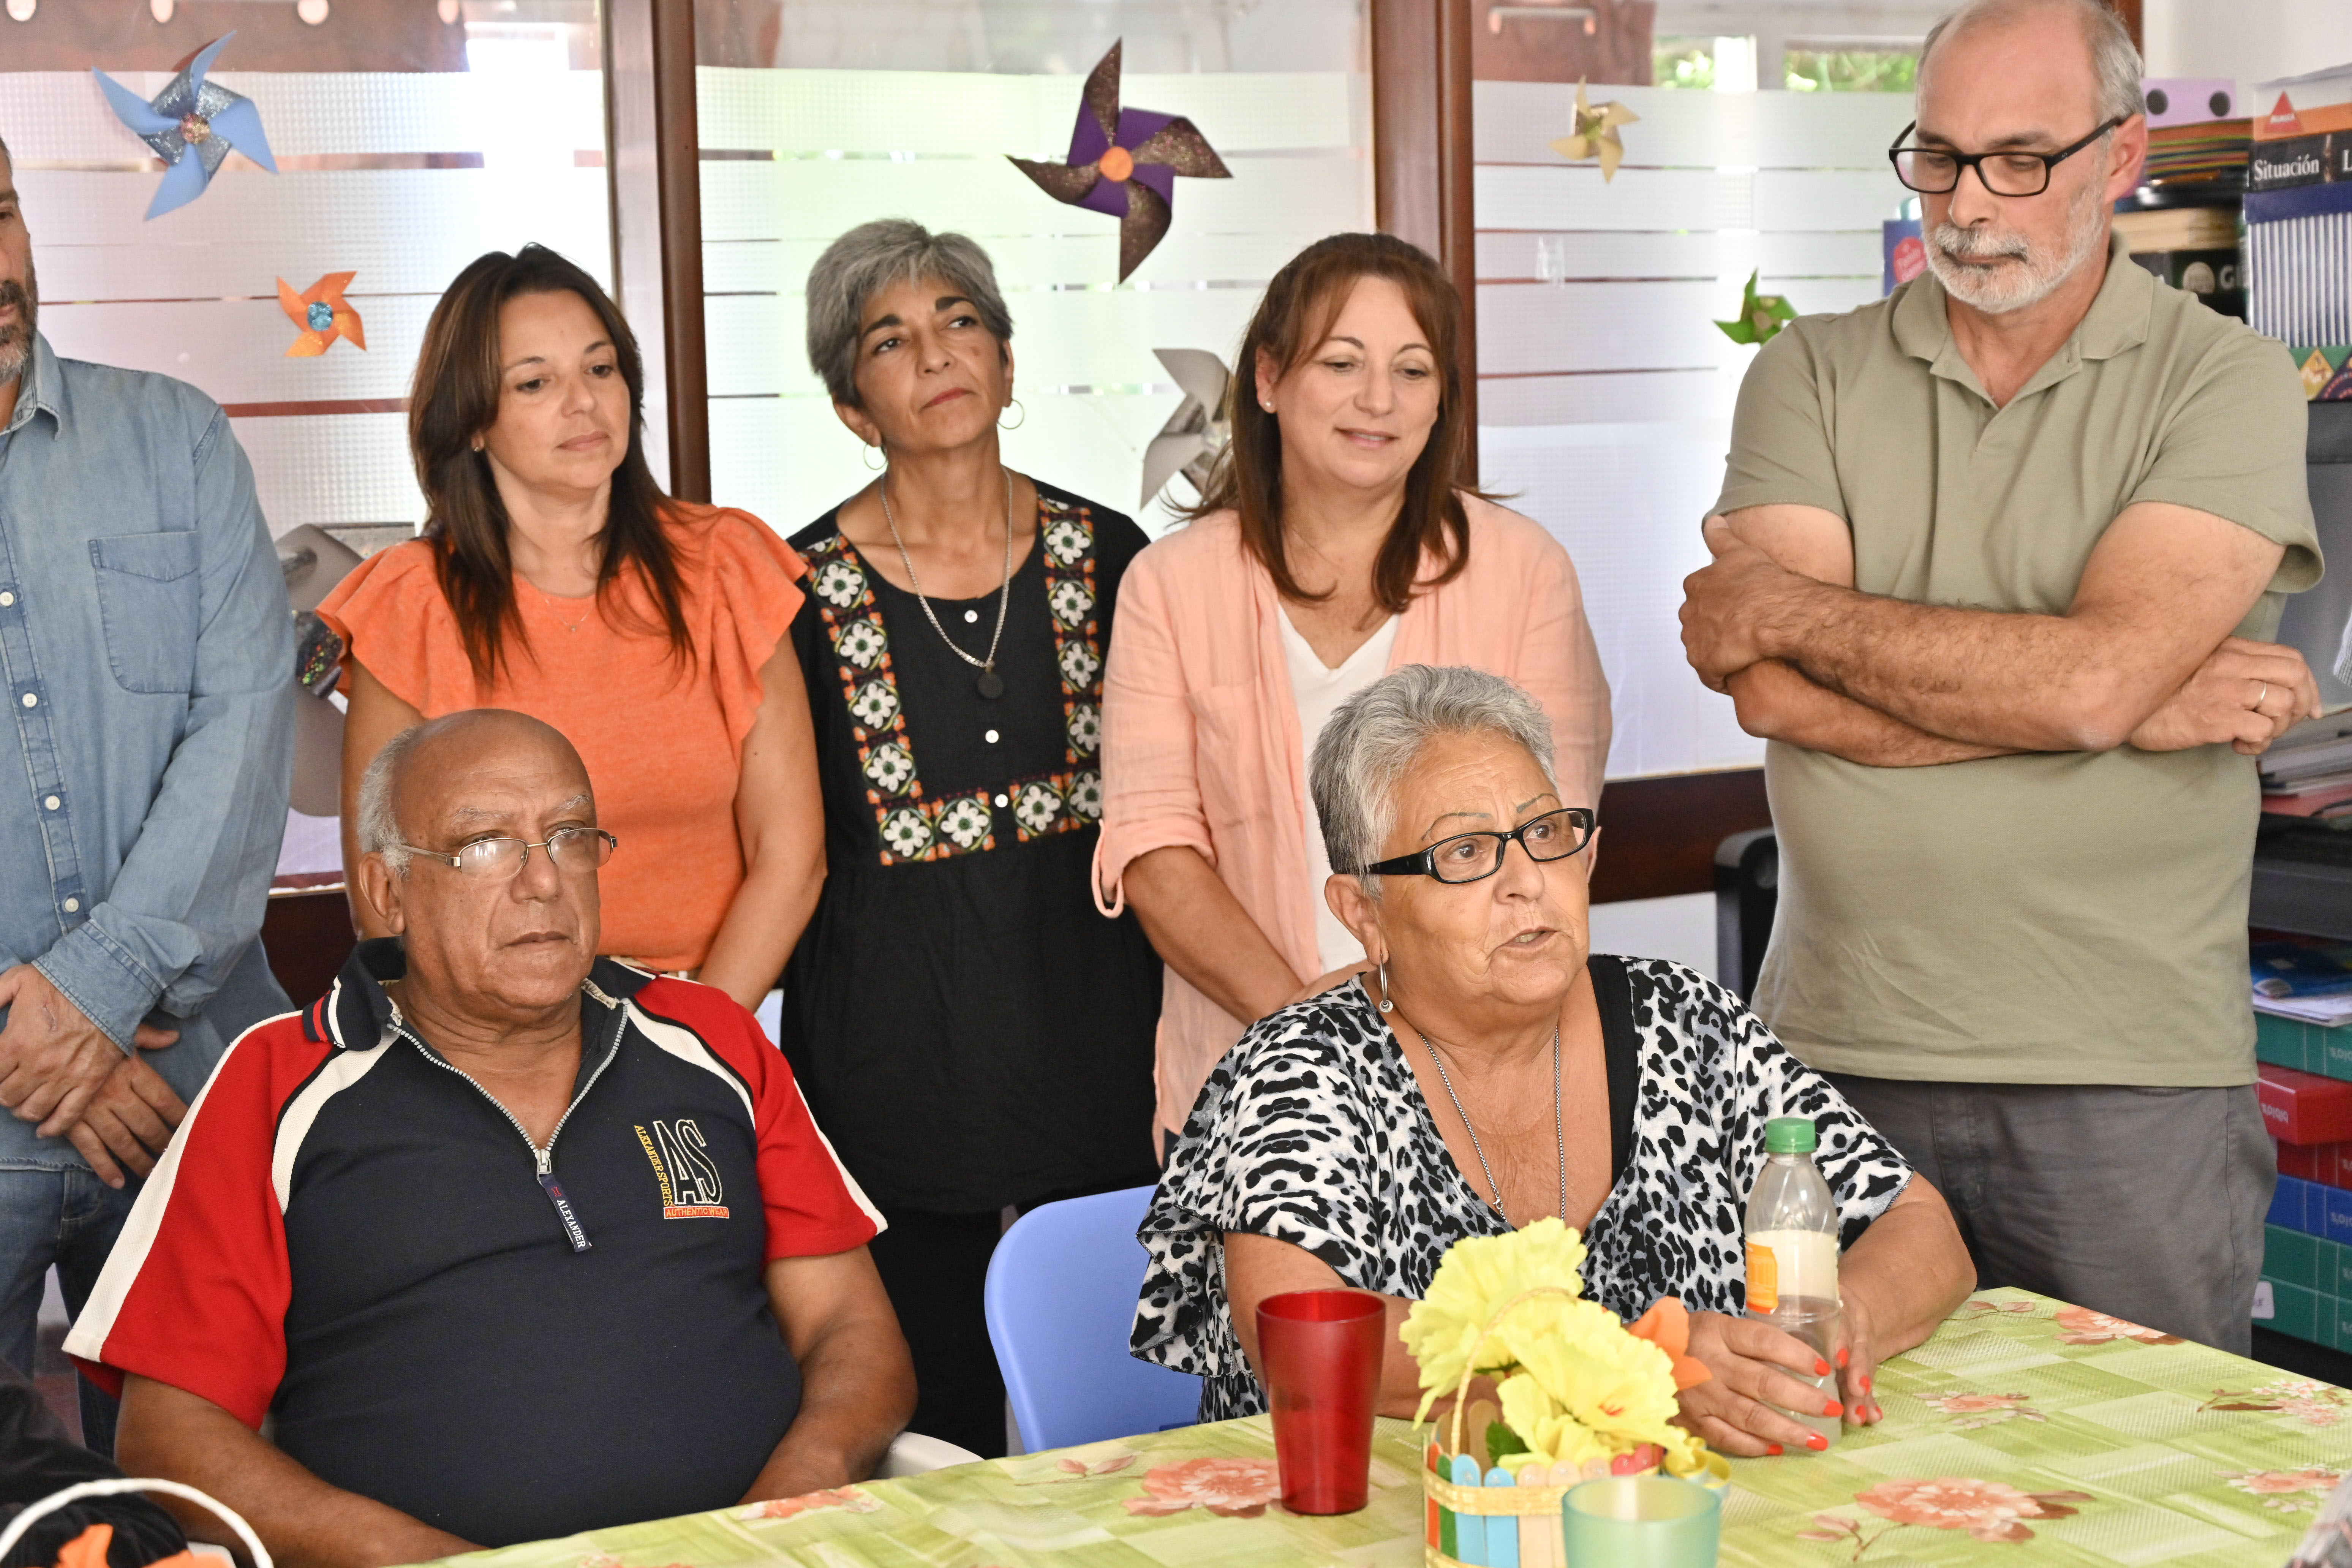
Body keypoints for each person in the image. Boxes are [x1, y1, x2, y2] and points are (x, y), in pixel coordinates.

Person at [1677, 0, 2321, 1353]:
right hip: (1834, 1060)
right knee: (1836, 1501)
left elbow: (2085, 679)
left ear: (2122, 150)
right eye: (1942, 156)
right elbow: (1773, 693)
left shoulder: (2229, 383)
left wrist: (1805, 608)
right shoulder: (1809, 374)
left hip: (2124, 1070)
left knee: (2145, 1507)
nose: (1968, 205)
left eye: (2020, 158)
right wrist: (2142, 706)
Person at [67, 710, 914, 1566]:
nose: (543, 881)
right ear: (388, 891)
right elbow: (167, 1440)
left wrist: (793, 1495)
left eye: (569, 835)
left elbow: (852, 1328)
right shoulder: (279, 1084)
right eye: (483, 847)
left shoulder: (708, 1040)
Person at [1132, 666, 1975, 1457]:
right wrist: (1633, 1371)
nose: (1527, 881)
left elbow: (1922, 1229)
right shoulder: (1303, 1067)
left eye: (1545, 833)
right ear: (1366, 912)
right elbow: (1297, 1331)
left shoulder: (1685, 1021)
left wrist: (1839, 1315)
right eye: (1464, 853)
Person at [1097, 232, 1612, 1152]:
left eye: (1413, 371)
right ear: (1267, 378)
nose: (1379, 399)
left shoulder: (1525, 570)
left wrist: (1417, 1038)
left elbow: (1548, 840)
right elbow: (1153, 849)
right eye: (1343, 363)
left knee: (1500, 1304)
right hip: (1245, 1080)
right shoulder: (1169, 584)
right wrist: (1312, 1034)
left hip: (1489, 1082)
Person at [782, 219, 1160, 1459]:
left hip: (1099, 1060)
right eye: (889, 339)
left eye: (959, 322)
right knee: (927, 1437)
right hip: (893, 1080)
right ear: (853, 403)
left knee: (1127, 1426)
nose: (935, 353)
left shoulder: (1115, 562)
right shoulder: (792, 592)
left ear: (1005, 360)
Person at [0, 131, 293, 1457]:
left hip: (194, 1106)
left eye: (0, 205)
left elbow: (241, 731)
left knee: (232, 1505)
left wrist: (93, 993)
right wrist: (46, 1039)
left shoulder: (174, 439)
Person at [319, 245, 822, 1006]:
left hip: (723, 1014)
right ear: (474, 422)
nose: (583, 402)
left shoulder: (725, 567)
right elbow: (386, 898)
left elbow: (792, 857)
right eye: (534, 383)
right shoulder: (410, 603)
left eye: (600, 369)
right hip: (493, 1036)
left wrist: (692, 1046)